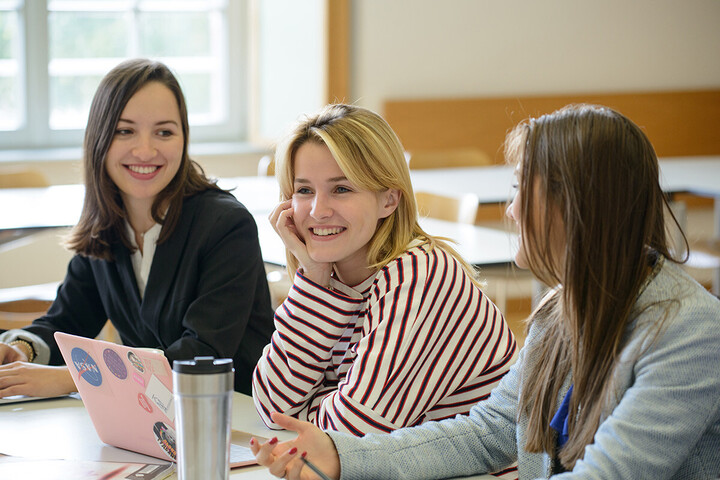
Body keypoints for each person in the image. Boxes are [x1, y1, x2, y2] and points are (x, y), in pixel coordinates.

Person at [250, 104, 720, 479]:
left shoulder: (690, 331)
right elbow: (490, 431)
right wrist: (341, 456)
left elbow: (610, 474)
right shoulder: (561, 306)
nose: (511, 211)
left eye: (521, 189)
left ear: (578, 205)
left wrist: (338, 443)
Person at [251, 104, 517, 470]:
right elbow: (274, 408)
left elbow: (353, 436)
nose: (317, 210)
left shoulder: (422, 277)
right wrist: (312, 279)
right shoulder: (328, 278)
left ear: (389, 199)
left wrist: (309, 414)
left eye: (341, 189)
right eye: (304, 190)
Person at [0, 59, 275, 397]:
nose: (145, 150)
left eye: (164, 132)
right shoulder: (108, 225)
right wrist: (22, 349)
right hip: (150, 418)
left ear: (183, 139)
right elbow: (66, 324)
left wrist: (74, 379)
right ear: (100, 138)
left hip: (236, 418)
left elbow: (201, 353)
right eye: (125, 130)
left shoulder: (226, 226)